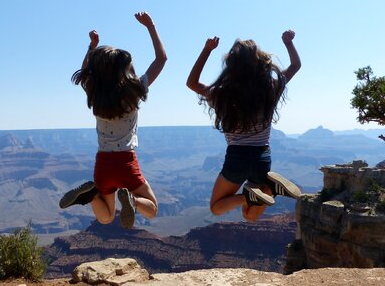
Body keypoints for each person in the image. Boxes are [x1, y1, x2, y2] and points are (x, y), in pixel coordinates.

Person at [59, 12, 167, 229]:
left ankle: (91, 195)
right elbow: (161, 59)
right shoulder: (135, 91)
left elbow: (85, 71)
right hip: (126, 162)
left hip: (103, 164)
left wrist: (92, 47)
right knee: (152, 209)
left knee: (106, 217)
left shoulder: (95, 93)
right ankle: (133, 201)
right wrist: (150, 26)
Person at [186, 30, 301, 222]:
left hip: (237, 158)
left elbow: (192, 83)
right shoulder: (269, 90)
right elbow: (295, 65)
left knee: (216, 208)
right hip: (261, 157)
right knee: (249, 216)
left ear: (231, 66)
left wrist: (207, 50)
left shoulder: (222, 95)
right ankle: (269, 189)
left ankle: (258, 193)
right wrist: (288, 43)